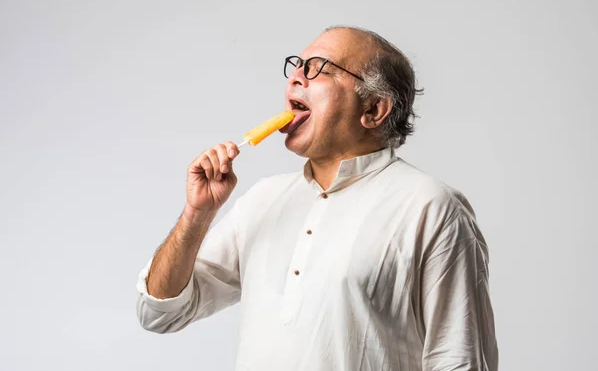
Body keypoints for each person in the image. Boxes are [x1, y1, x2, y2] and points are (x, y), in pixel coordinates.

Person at [136, 26, 499, 371]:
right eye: (296, 67)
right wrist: (197, 214)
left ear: (373, 109)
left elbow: (459, 359)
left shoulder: (432, 207)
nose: (295, 77)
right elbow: (160, 313)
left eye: (317, 69)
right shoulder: (264, 198)